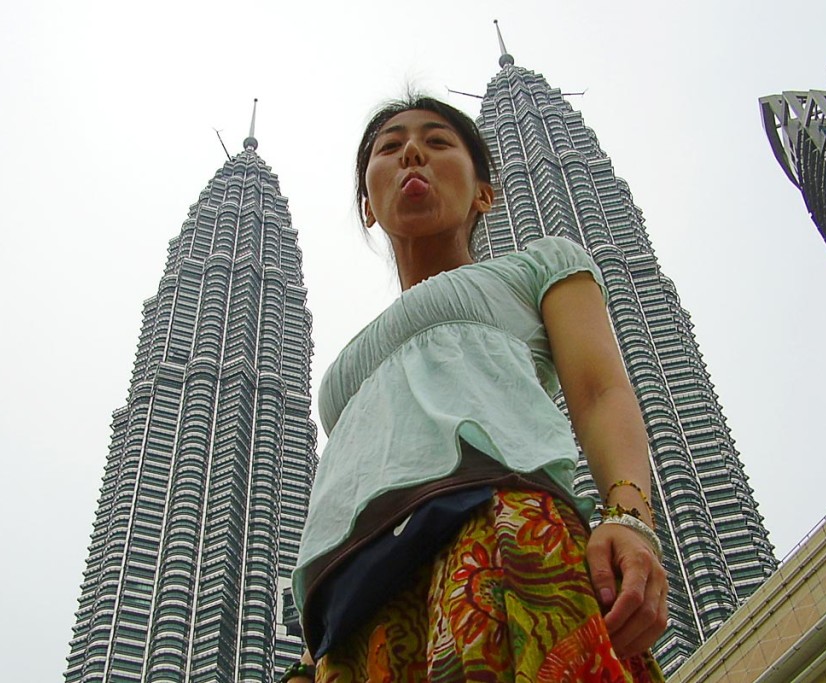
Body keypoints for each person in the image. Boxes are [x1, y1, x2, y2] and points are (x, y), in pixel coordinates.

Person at [282, 95, 668, 683]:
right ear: (368, 206)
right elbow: (355, 487)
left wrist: (630, 517)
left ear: (484, 194)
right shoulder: (343, 368)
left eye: (437, 142)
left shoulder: (537, 266)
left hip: (495, 526)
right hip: (350, 605)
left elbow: (599, 392)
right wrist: (312, 659)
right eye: (390, 148)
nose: (411, 151)